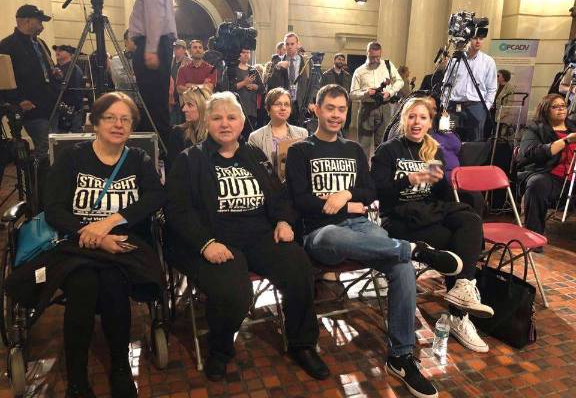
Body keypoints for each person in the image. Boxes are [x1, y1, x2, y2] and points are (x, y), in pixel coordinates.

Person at [285, 84, 463, 398]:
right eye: (330, 108)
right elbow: (300, 200)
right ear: (316, 109)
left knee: (401, 267)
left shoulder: (354, 149)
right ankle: (412, 248)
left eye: (342, 109)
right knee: (345, 236)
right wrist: (345, 203)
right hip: (321, 233)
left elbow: (369, 194)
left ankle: (401, 356)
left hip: (361, 227)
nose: (337, 115)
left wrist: (346, 196)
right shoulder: (301, 150)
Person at [6, 92, 165, 398]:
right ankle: (77, 377)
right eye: (110, 118)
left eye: (125, 119)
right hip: (74, 241)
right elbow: (53, 208)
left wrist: (110, 222)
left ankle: (120, 367)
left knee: (115, 284)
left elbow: (155, 196)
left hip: (121, 242)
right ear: (95, 122)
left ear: (132, 126)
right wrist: (90, 233)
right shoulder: (73, 158)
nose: (118, 125)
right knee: (83, 284)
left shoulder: (138, 160)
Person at [164, 91, 329, 382]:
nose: (225, 124)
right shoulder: (190, 160)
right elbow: (178, 211)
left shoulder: (253, 155)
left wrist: (283, 220)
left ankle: (302, 344)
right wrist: (206, 244)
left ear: (242, 123)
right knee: (234, 291)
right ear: (206, 121)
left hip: (259, 235)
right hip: (216, 239)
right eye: (217, 117)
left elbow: (279, 195)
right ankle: (221, 348)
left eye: (231, 117)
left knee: (299, 267)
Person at [371, 96, 494, 354]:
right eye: (412, 116)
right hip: (399, 217)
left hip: (429, 210)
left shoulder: (433, 150)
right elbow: (379, 194)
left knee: (470, 219)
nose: (417, 122)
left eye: (423, 117)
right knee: (454, 241)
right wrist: (409, 179)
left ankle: (462, 289)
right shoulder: (388, 150)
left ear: (430, 121)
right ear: (404, 119)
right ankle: (459, 317)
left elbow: (440, 193)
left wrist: (456, 208)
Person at [129, 0, 177, 151]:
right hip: (154, 43)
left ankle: (161, 154)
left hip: (153, 44)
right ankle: (159, 153)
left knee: (154, 108)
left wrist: (150, 48)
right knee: (154, 106)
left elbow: (155, 15)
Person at [0, 4, 58, 157]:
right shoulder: (7, 46)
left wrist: (54, 74)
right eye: (38, 20)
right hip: (32, 108)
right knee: (45, 149)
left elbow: (45, 71)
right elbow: (4, 80)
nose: (41, 24)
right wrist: (18, 101)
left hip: (50, 105)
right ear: (25, 20)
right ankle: (41, 180)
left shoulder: (40, 43)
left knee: (55, 147)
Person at [517, 94, 576, 235]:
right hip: (549, 174)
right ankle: (533, 235)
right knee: (537, 184)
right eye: (555, 107)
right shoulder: (535, 129)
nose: (561, 109)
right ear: (545, 110)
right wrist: (565, 141)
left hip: (572, 177)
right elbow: (530, 153)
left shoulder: (573, 126)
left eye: (563, 105)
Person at [350, 41, 404, 158]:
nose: (375, 60)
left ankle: (379, 170)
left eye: (378, 57)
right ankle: (363, 172)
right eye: (373, 57)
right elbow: (352, 94)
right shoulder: (359, 71)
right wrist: (365, 93)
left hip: (384, 107)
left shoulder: (388, 65)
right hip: (366, 108)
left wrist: (390, 92)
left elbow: (400, 81)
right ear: (367, 53)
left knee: (383, 142)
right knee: (363, 144)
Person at [444, 36, 497, 142]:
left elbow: (492, 88)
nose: (478, 41)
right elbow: (446, 84)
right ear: (467, 40)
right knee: (449, 140)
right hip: (454, 106)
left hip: (476, 107)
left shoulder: (488, 61)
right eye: (475, 38)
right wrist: (444, 105)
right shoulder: (455, 60)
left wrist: (484, 108)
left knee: (474, 142)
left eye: (481, 38)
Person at [248, 87, 308, 177]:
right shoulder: (256, 137)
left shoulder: (303, 134)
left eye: (287, 104)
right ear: (268, 109)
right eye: (277, 104)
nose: (283, 108)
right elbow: (254, 170)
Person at [266, 32, 315, 126]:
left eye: (292, 44)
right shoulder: (277, 61)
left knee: (300, 135)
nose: (289, 46)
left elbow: (312, 84)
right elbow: (270, 85)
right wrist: (278, 68)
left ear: (298, 44)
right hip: (283, 105)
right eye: (287, 44)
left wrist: (310, 101)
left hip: (301, 104)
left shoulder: (307, 62)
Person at [167, 86, 209, 167]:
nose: (184, 109)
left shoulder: (215, 134)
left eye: (189, 105)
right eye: (184, 104)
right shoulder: (178, 133)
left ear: (203, 107)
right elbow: (172, 170)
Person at [53, 44, 85, 132]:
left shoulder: (74, 69)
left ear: (70, 54)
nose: (57, 51)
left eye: (62, 50)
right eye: (57, 50)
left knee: (74, 136)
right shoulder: (54, 68)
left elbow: (76, 90)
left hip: (72, 109)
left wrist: (75, 109)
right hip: (58, 109)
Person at [234, 48, 265, 133]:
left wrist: (254, 86)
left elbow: (262, 89)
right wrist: (244, 82)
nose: (246, 54)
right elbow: (229, 88)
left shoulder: (253, 70)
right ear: (238, 54)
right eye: (243, 52)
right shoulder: (233, 69)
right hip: (237, 109)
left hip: (251, 110)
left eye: (248, 52)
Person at [321, 53, 352, 133]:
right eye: (339, 59)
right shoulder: (326, 75)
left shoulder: (348, 76)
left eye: (342, 60)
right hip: (330, 104)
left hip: (343, 105)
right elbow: (321, 91)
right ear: (334, 60)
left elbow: (350, 91)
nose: (340, 61)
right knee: (329, 128)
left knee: (343, 129)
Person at [110, 30, 138, 103]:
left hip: (141, 102)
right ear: (125, 41)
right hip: (124, 100)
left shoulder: (142, 58)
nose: (136, 42)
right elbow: (121, 79)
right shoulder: (117, 58)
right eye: (133, 39)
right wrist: (141, 78)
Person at [170, 39, 192, 125]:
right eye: (174, 48)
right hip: (172, 98)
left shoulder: (189, 62)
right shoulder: (170, 61)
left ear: (184, 49)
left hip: (183, 98)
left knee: (184, 122)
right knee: (172, 123)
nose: (175, 50)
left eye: (178, 48)